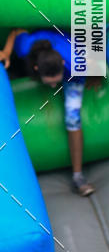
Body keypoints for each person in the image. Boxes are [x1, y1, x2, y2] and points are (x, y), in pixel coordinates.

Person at [0, 28, 95, 196]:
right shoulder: (26, 47)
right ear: (36, 67)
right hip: (44, 49)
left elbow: (94, 50)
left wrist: (96, 75)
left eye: (55, 82)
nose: (53, 87)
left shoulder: (76, 64)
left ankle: (78, 177)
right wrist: (6, 52)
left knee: (73, 118)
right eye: (49, 82)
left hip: (71, 56)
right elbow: (16, 31)